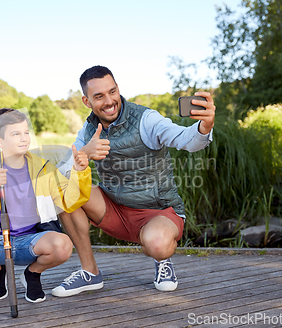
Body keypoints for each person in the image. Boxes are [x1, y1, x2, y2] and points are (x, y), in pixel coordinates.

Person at [52, 65, 215, 297]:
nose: (109, 101)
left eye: (112, 91)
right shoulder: (88, 131)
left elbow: (185, 139)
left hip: (157, 211)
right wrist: (84, 153)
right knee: (63, 187)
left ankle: (162, 260)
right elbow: (62, 172)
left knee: (157, 244)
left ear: (118, 89)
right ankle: (90, 272)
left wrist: (204, 126)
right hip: (114, 210)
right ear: (87, 102)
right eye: (99, 96)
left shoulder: (146, 119)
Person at [0, 108, 92, 303]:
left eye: (26, 132)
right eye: (16, 134)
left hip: (33, 241)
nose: (24, 138)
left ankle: (32, 274)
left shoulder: (44, 168)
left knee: (63, 246)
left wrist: (80, 172)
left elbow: (68, 202)